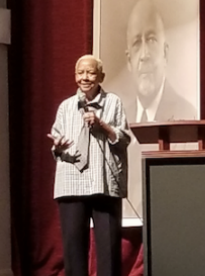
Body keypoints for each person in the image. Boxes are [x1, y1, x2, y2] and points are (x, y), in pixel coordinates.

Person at [47, 54, 130, 276]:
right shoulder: (65, 107)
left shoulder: (113, 102)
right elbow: (56, 145)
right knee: (73, 252)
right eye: (81, 73)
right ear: (75, 76)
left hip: (104, 184)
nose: (85, 77)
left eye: (91, 72)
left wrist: (103, 124)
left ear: (101, 76)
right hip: (71, 184)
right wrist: (58, 146)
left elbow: (124, 139)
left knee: (109, 252)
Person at [125, 0, 197, 122]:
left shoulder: (187, 115)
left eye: (151, 40)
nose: (144, 55)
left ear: (165, 53)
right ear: (129, 61)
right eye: (137, 43)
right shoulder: (120, 120)